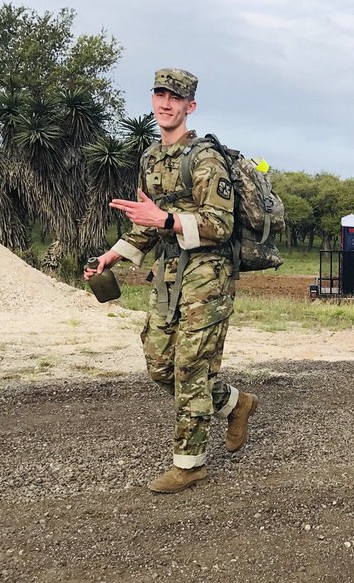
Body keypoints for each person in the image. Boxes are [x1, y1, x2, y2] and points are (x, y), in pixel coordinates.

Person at [85, 68, 258, 493]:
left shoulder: (205, 158)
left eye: (175, 98)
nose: (166, 103)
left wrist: (164, 218)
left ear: (189, 106)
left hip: (209, 274)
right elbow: (147, 227)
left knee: (191, 367)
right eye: (160, 94)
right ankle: (236, 404)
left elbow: (220, 223)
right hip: (167, 273)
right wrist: (111, 256)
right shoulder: (149, 158)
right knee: (160, 365)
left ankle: (189, 464)